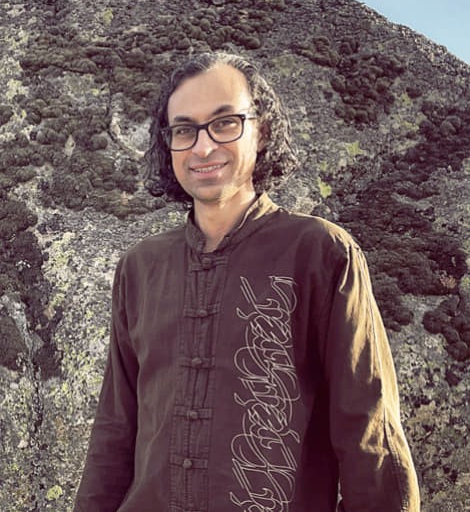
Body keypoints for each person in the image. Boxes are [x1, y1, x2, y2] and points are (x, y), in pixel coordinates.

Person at [74, 52, 420, 511]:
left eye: (224, 123)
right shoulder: (140, 267)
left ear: (263, 130)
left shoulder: (321, 253)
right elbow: (114, 431)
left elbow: (369, 433)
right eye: (184, 130)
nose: (202, 147)